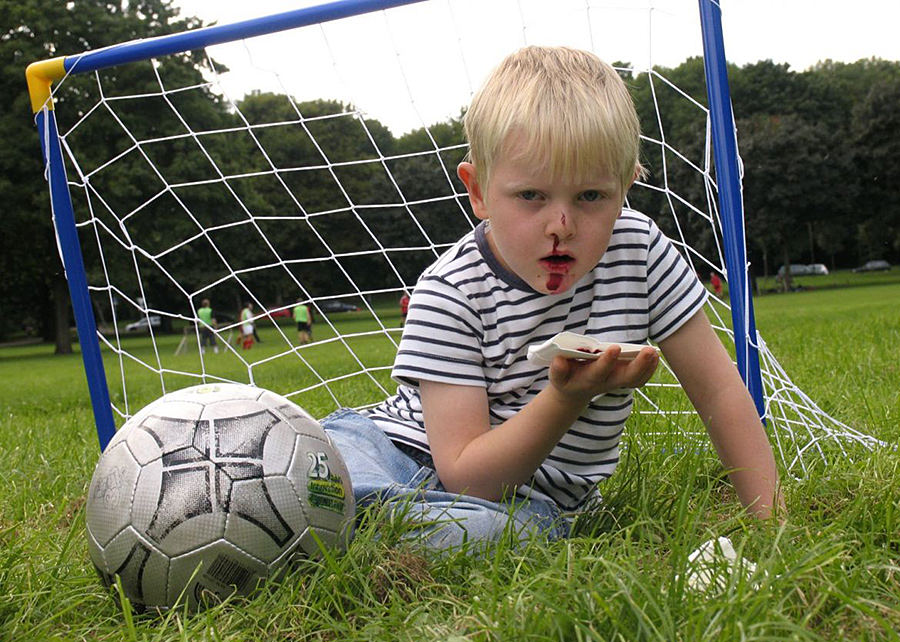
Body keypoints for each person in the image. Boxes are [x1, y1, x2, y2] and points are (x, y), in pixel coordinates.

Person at [320, 46, 782, 551]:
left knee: (496, 534)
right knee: (331, 478)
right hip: (396, 452)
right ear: (478, 192)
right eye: (531, 196)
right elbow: (465, 475)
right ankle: (332, 509)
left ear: (626, 185)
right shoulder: (450, 290)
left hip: (522, 504)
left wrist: (773, 526)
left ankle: (347, 523)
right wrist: (567, 399)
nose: (560, 226)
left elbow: (719, 392)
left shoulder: (640, 251)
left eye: (590, 197)